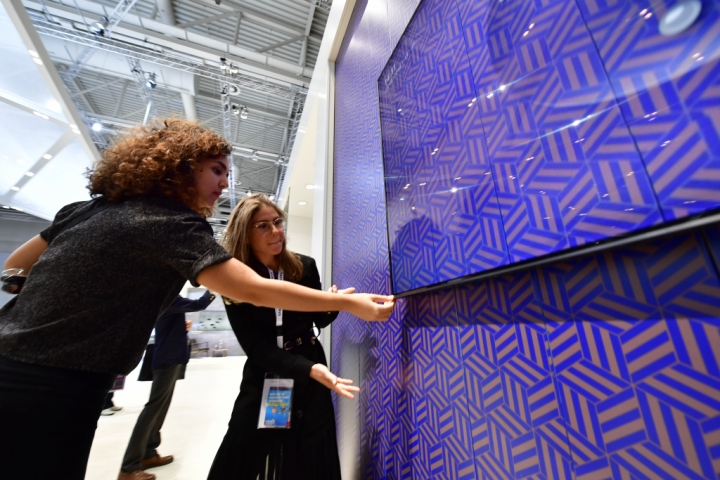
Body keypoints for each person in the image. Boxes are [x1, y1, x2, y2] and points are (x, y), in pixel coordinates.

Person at [0, 119, 393, 480]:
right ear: (181, 167)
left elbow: (16, 266)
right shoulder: (170, 223)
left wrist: (54, 299)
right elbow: (252, 289)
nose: (224, 183)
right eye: (217, 170)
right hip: (58, 379)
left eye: (278, 222)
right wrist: (346, 304)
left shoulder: (87, 209)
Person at [207, 194, 359, 480]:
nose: (276, 231)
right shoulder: (235, 280)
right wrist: (308, 369)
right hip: (268, 374)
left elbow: (319, 320)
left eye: (277, 222)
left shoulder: (304, 266)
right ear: (245, 233)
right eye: (263, 226)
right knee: (243, 453)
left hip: (311, 372)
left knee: (310, 452)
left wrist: (332, 303)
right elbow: (255, 347)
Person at [118, 290, 215, 480]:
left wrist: (181, 328)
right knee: (153, 409)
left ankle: (149, 454)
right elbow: (199, 304)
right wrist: (213, 290)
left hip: (170, 358)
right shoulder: (167, 297)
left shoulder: (165, 299)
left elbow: (169, 327)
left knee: (159, 409)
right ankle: (129, 467)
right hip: (167, 360)